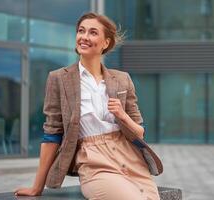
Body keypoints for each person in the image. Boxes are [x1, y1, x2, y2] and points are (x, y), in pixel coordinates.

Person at [14, 12, 163, 200]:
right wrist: (37, 187)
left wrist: (122, 116)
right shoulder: (59, 78)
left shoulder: (122, 79)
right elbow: (52, 133)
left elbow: (139, 132)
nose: (84, 37)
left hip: (130, 159)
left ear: (106, 43)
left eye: (93, 33)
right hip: (94, 161)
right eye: (81, 31)